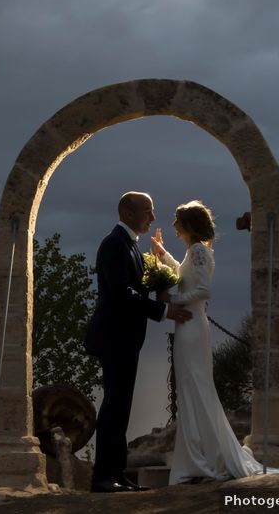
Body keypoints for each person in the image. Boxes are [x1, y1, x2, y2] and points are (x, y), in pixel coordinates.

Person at [152, 200, 279, 484]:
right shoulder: (194, 252)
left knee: (196, 388)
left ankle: (204, 458)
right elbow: (185, 276)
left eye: (177, 221)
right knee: (192, 389)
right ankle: (201, 455)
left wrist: (171, 300)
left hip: (191, 325)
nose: (174, 225)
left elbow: (202, 289)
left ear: (188, 225)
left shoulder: (199, 251)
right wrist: (163, 256)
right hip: (188, 325)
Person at [83, 191, 194, 493]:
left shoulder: (130, 245)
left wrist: (159, 269)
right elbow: (122, 292)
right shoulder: (114, 244)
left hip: (126, 339)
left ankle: (117, 473)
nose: (153, 217)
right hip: (114, 338)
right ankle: (104, 476)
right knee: (114, 407)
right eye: (148, 211)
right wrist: (163, 310)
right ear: (129, 213)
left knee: (121, 408)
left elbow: (139, 285)